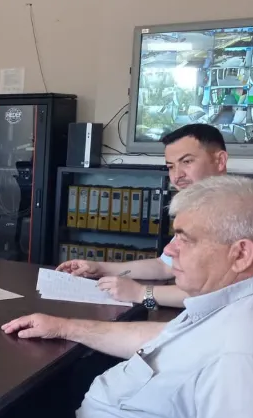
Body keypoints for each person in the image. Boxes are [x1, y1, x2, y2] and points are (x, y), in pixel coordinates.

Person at [1, 175, 253, 418]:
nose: (170, 250)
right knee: (23, 413)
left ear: (241, 254)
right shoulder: (237, 301)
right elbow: (168, 337)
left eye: (185, 239)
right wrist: (66, 327)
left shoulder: (243, 353)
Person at [57, 124, 228, 308]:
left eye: (187, 161)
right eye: (171, 166)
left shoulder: (235, 213)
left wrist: (141, 293)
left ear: (220, 161)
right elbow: (164, 266)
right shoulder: (193, 207)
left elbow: (214, 293)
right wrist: (100, 268)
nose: (177, 175)